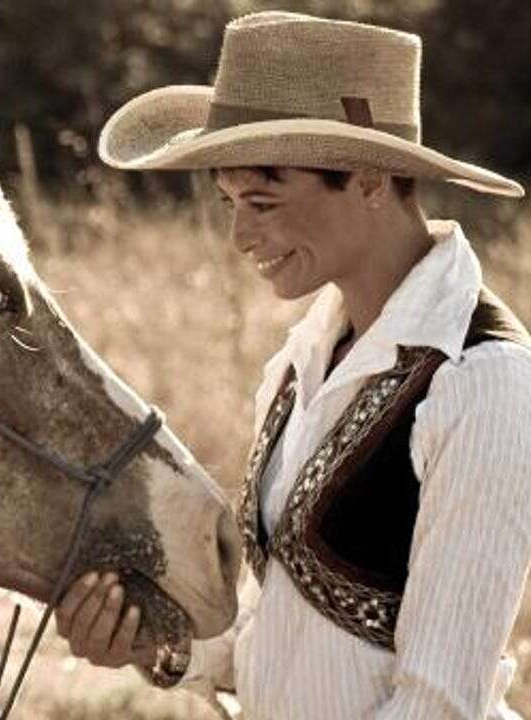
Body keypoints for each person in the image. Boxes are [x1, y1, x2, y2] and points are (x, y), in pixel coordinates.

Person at [54, 11, 531, 719]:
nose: (240, 234)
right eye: (229, 202)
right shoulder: (300, 362)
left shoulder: (483, 382)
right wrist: (149, 642)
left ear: (370, 179)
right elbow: (280, 637)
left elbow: (440, 703)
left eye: (263, 201)